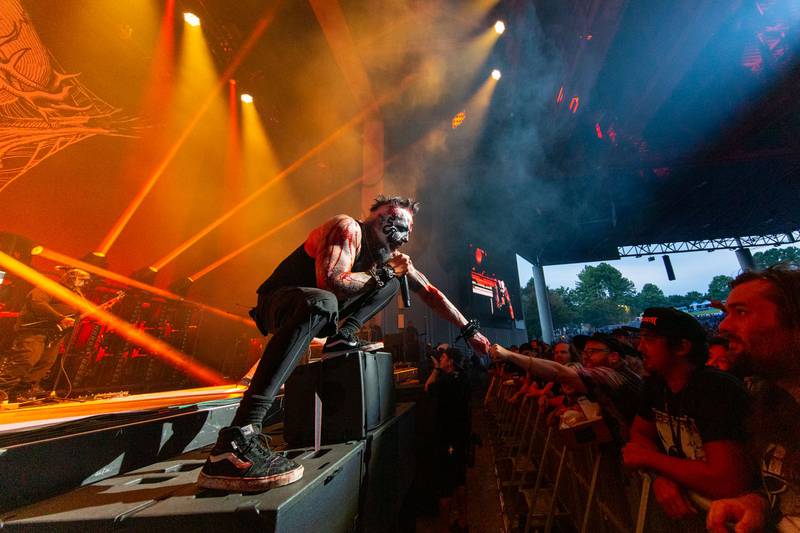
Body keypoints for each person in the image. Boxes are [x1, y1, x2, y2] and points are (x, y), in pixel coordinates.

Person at [197, 195, 491, 492]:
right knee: (336, 296)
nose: (405, 238)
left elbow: (430, 291)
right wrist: (387, 271)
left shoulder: (384, 257)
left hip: (323, 309)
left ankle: (341, 338)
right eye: (401, 228)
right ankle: (237, 439)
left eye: (409, 232)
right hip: (282, 301)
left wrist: (468, 330)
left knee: (389, 282)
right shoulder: (347, 228)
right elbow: (332, 281)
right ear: (381, 220)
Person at [621, 307, 751, 520]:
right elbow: (640, 434)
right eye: (640, 338)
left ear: (682, 347)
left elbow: (726, 480)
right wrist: (662, 477)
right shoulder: (655, 384)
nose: (640, 347)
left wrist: (650, 459)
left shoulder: (716, 389)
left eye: (650, 339)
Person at [707, 264, 800, 533]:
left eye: (741, 313)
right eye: (726, 313)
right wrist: (757, 504)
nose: (723, 325)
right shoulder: (776, 401)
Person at [490, 332, 642, 441]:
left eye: (593, 351)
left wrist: (509, 355)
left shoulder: (611, 375)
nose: (586, 356)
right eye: (585, 351)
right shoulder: (605, 375)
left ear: (614, 357)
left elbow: (559, 372)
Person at [0, 268, 89, 402]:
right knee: (26, 359)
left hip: (54, 334)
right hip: (36, 330)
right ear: (72, 278)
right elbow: (37, 303)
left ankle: (21, 391)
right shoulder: (50, 287)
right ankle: (2, 389)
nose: (84, 283)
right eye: (82, 280)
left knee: (45, 362)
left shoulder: (77, 294)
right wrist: (59, 318)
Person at [425, 347, 471, 532]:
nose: (441, 360)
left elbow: (428, 387)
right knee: (460, 480)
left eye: (443, 357)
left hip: (446, 439)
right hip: (461, 436)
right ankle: (463, 521)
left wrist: (436, 369)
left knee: (444, 484)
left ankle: (444, 527)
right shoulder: (463, 377)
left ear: (450, 361)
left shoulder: (445, 381)